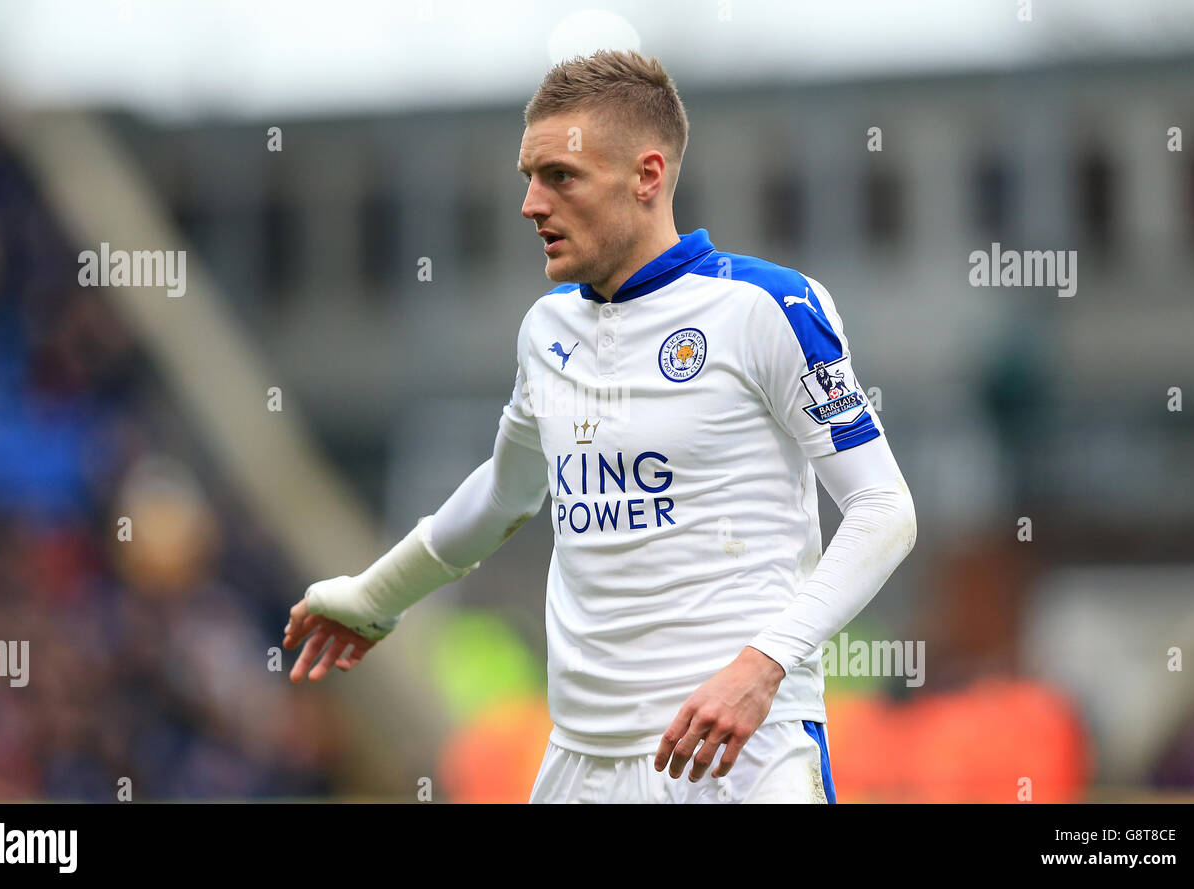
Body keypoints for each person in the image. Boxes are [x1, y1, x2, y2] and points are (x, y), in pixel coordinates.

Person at [282, 49, 916, 804]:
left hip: (744, 754)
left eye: (560, 176)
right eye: (528, 177)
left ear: (647, 175)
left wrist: (762, 666)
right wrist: (374, 594)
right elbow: (505, 493)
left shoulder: (768, 307)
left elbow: (885, 510)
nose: (531, 204)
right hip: (581, 764)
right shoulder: (546, 331)